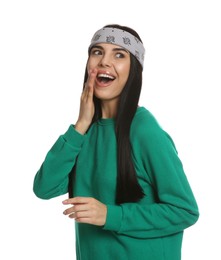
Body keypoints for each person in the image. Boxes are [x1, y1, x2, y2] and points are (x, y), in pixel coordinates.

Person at [33, 24, 199, 260]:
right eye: (97, 52)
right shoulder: (85, 131)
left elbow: (185, 211)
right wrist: (80, 125)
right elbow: (44, 187)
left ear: (134, 70)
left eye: (119, 55)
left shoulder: (145, 131)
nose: (104, 62)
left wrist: (110, 215)